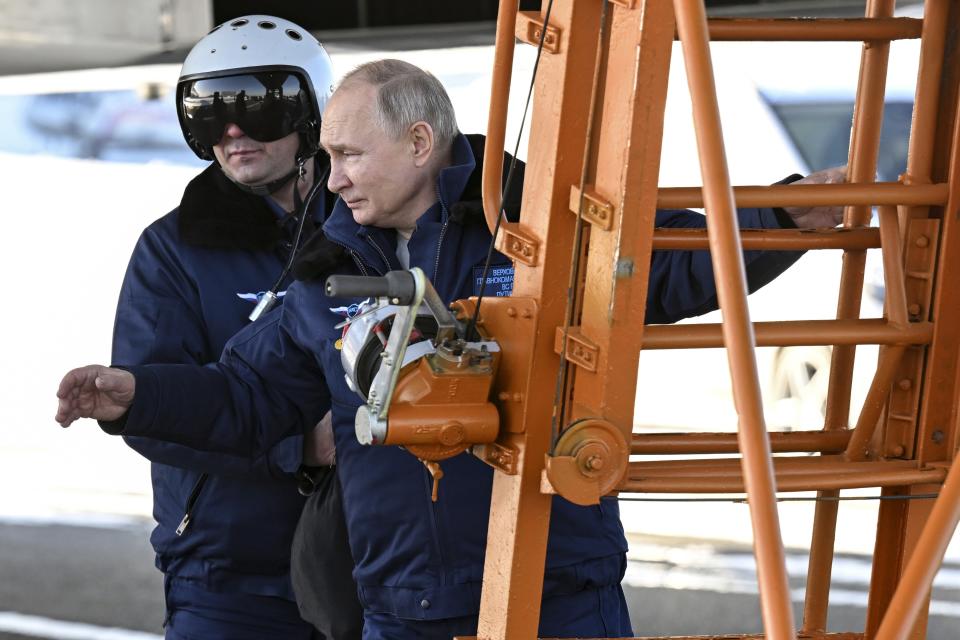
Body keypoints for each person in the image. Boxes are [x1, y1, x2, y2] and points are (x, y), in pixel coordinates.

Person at [57, 59, 845, 638]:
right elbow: (247, 399)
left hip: (557, 596)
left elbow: (663, 268)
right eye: (327, 158)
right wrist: (136, 394)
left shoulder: (532, 229)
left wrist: (777, 224)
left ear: (421, 142)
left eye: (349, 157)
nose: (330, 181)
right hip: (405, 609)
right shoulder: (323, 275)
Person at [103, 15, 362, 640]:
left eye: (256, 108)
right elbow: (157, 406)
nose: (234, 131)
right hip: (231, 575)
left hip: (372, 564)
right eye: (210, 113)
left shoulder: (368, 224)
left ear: (312, 118)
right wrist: (297, 449)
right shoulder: (173, 249)